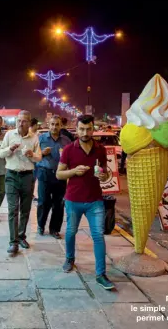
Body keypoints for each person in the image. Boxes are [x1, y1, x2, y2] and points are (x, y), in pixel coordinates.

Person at [56, 114, 115, 290]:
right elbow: (59, 174)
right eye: (81, 128)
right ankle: (69, 258)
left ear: (93, 128)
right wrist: (74, 171)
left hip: (95, 200)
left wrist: (104, 175)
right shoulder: (68, 149)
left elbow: (105, 173)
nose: (85, 132)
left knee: (98, 236)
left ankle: (100, 274)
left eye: (88, 128)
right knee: (71, 232)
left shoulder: (100, 149)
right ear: (76, 128)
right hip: (73, 200)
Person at [0, 110, 42, 254]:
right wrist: (10, 149)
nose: (20, 124)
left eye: (24, 121)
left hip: (27, 176)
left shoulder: (34, 138)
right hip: (11, 175)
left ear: (29, 123)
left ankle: (22, 236)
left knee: (25, 209)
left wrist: (31, 154)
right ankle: (13, 242)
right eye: (19, 121)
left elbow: (39, 158)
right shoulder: (9, 135)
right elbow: (1, 153)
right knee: (13, 209)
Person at [36, 115, 71, 239]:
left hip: (60, 175)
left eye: (57, 124)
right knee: (43, 202)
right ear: (48, 125)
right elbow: (34, 155)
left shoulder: (66, 141)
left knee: (59, 203)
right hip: (45, 173)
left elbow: (71, 157)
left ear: (61, 125)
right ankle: (40, 225)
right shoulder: (41, 138)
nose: (54, 127)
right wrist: (42, 153)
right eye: (52, 124)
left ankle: (55, 229)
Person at [29, 118, 40, 202]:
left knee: (33, 178)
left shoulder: (36, 134)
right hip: (31, 160)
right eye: (37, 125)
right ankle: (30, 194)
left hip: (34, 159)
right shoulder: (32, 134)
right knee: (32, 178)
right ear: (34, 125)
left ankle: (31, 194)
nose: (38, 126)